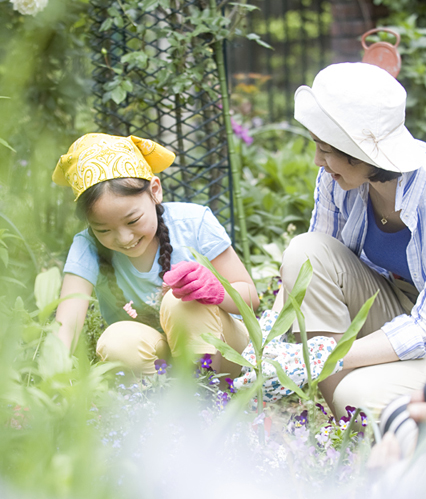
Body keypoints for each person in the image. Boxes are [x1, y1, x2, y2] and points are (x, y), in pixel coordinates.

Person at [235, 62, 426, 419]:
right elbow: (308, 268)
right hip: (393, 306)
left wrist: (321, 355)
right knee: (306, 250)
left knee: (357, 396)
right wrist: (268, 338)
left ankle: (349, 414)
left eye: (326, 149)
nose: (317, 161)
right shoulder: (339, 179)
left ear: (360, 151)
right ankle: (339, 414)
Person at [53, 133, 258, 376]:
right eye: (103, 230)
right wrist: (49, 384)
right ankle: (160, 406)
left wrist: (216, 291)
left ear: (155, 191)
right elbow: (66, 328)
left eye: (133, 220)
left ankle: (205, 400)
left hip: (226, 353)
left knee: (181, 301)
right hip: (161, 361)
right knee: (117, 341)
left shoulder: (194, 223)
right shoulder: (87, 246)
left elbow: (252, 299)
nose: (124, 238)